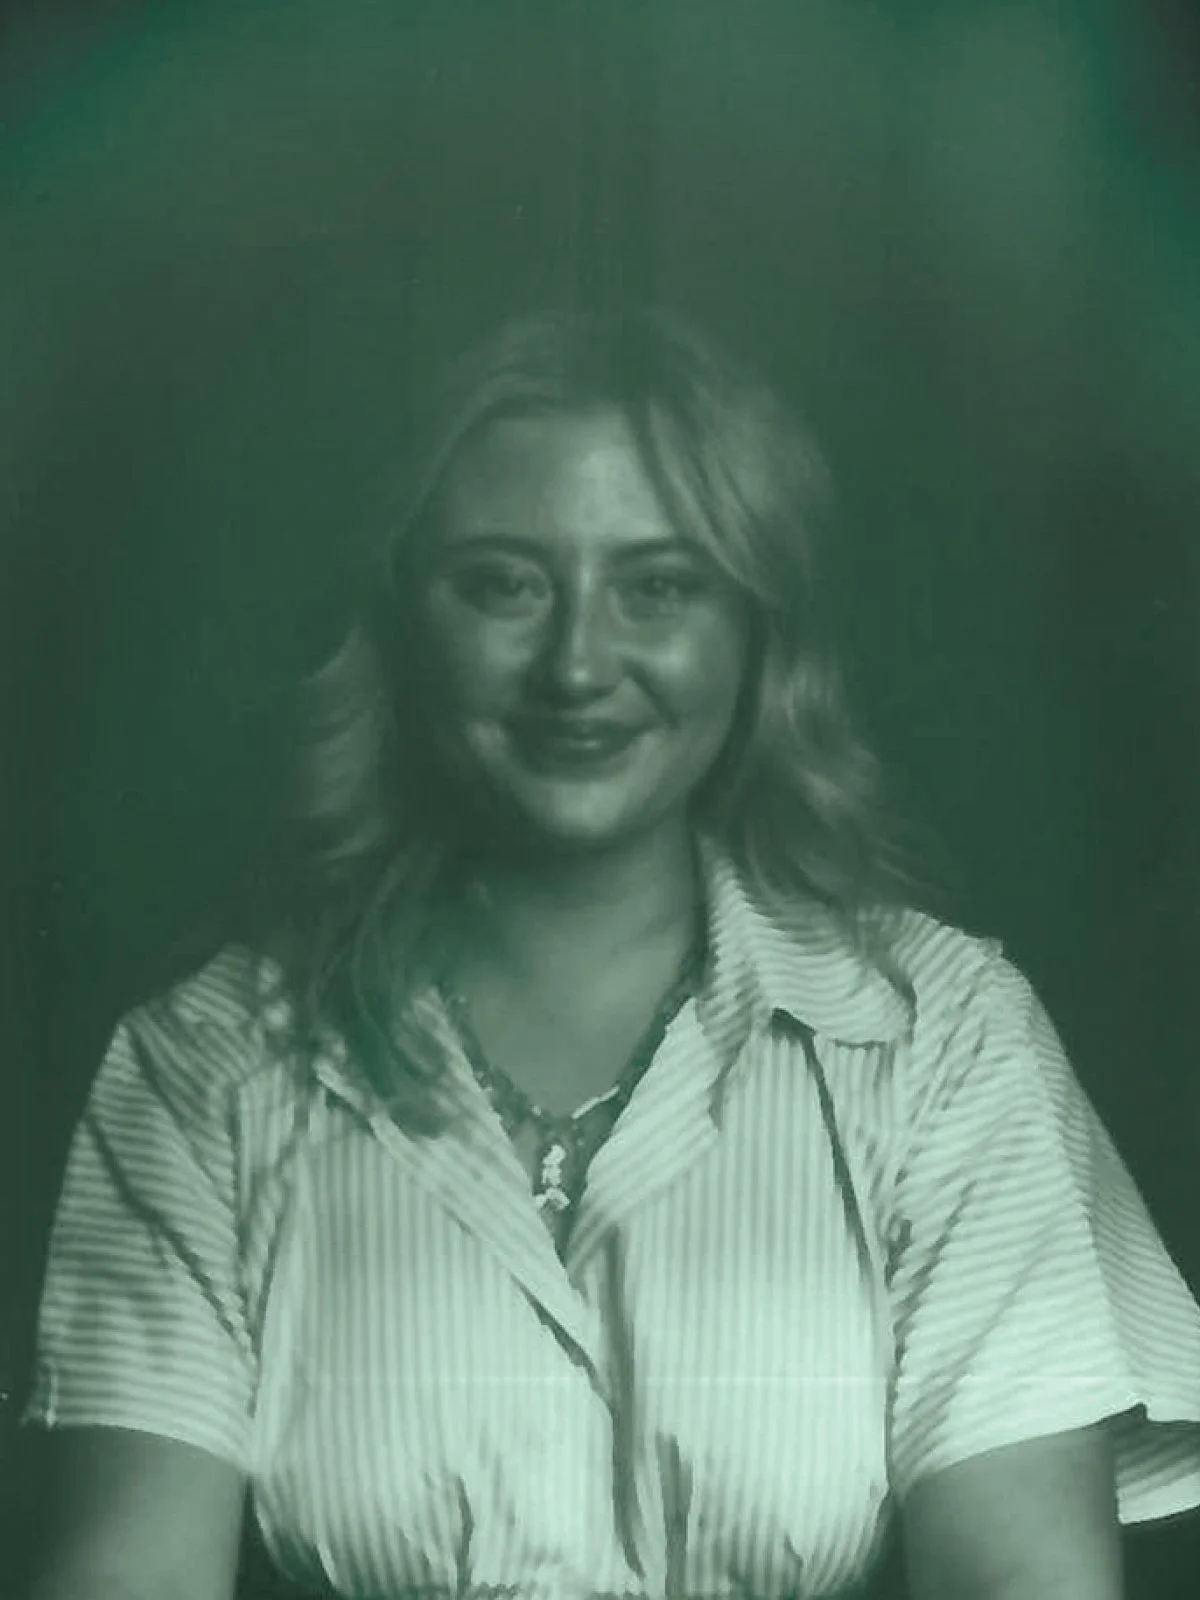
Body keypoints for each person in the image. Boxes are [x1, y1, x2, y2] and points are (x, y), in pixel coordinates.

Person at [18, 307, 1200, 1600]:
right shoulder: (203, 1067)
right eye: (505, 584)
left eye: (660, 586)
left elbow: (1024, 1585)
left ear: (759, 635)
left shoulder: (946, 1041)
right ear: (405, 619)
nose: (578, 663)